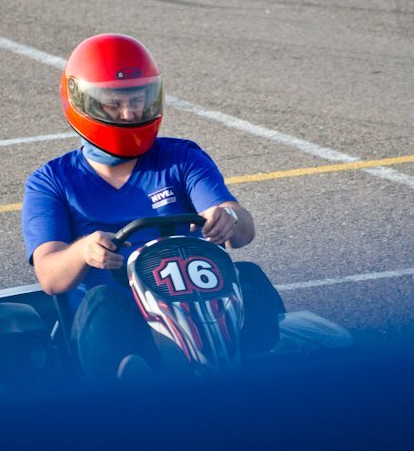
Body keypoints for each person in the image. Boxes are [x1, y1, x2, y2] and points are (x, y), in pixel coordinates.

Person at [22, 33, 281, 379]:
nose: (130, 113)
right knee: (103, 303)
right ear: (84, 104)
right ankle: (131, 385)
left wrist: (228, 219)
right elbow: (50, 277)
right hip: (121, 321)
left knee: (247, 276)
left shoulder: (181, 158)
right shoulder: (52, 182)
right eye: (114, 103)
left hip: (197, 307)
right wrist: (83, 251)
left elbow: (242, 230)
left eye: (138, 100)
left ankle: (262, 372)